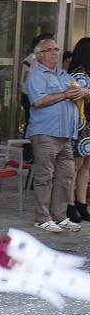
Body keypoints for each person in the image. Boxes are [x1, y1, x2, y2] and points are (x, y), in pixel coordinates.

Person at [26, 37, 89, 233]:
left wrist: (84, 92)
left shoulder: (63, 75)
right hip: (46, 133)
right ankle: (42, 218)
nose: (55, 52)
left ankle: (60, 216)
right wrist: (65, 95)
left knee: (65, 177)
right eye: (49, 50)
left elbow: (77, 92)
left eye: (56, 49)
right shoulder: (36, 76)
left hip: (66, 135)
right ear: (39, 55)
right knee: (45, 177)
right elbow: (38, 101)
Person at [66, 38, 90, 224]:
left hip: (87, 125)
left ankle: (82, 203)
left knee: (86, 166)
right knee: (76, 165)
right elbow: (77, 95)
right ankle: (70, 203)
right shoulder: (79, 73)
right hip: (81, 124)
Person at [20, 33, 54, 137]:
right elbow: (29, 77)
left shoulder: (32, 58)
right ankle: (30, 150)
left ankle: (29, 150)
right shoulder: (34, 58)